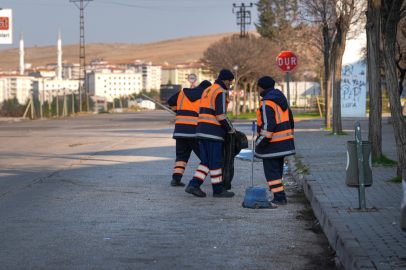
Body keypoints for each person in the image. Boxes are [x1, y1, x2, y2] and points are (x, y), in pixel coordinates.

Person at [185, 69, 236, 198]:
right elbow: (221, 115)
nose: (231, 83)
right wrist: (231, 129)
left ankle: (194, 184)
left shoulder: (208, 90)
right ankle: (218, 190)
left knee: (206, 162)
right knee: (216, 162)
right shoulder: (221, 91)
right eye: (230, 80)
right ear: (224, 79)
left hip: (202, 130)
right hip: (213, 132)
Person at [255, 76, 295, 205]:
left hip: (272, 144)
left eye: (259, 87)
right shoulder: (281, 99)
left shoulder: (267, 103)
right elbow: (290, 119)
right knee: (277, 171)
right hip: (284, 142)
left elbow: (268, 126)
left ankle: (280, 197)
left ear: (263, 88)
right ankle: (279, 195)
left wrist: (260, 142)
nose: (258, 90)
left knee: (271, 173)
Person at [167, 80, 212, 187]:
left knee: (181, 156)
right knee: (206, 157)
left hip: (180, 130)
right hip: (195, 131)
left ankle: (176, 179)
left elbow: (170, 101)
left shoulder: (182, 93)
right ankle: (216, 181)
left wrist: (177, 110)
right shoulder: (205, 95)